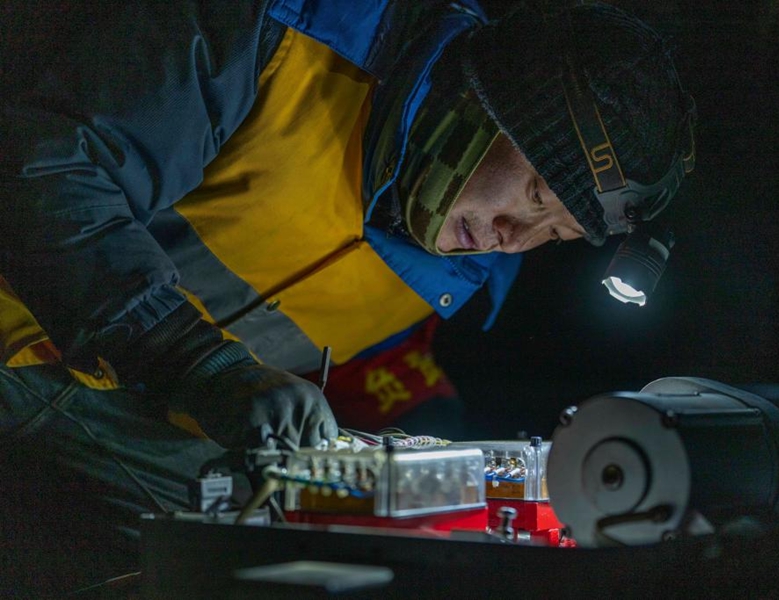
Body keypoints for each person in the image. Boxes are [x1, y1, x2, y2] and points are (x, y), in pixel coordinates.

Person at [0, 0, 694, 593]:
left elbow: (378, 381)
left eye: (554, 234)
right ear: (490, 104)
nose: (513, 239)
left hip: (129, 422)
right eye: (536, 194)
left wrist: (417, 458)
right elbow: (50, 169)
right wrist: (197, 363)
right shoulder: (290, 32)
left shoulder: (467, 269)